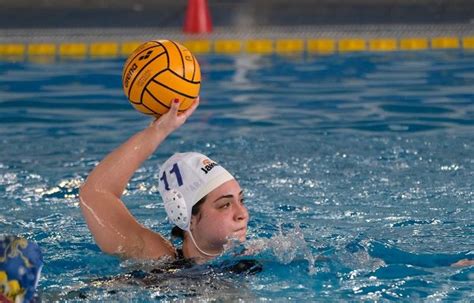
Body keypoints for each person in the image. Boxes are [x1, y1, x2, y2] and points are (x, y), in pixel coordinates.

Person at [79, 98, 249, 265]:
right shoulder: (160, 262)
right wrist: (159, 130)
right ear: (187, 217)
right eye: (225, 205)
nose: (242, 214)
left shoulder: (254, 257)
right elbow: (95, 192)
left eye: (241, 200)